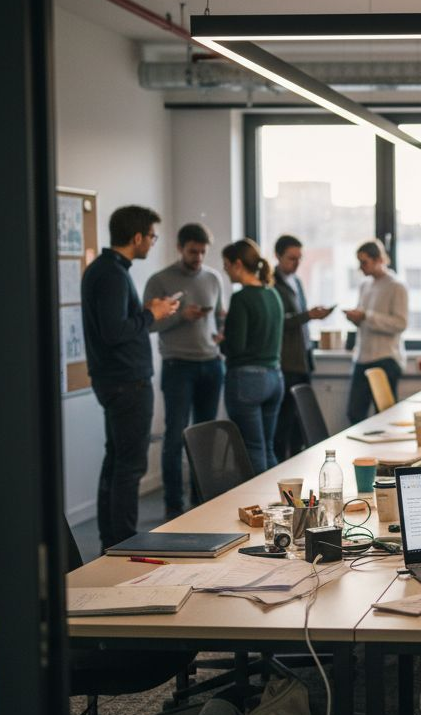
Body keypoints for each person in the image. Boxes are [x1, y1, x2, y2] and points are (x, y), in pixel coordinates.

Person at [81, 205, 179, 549]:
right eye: (152, 236)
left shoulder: (105, 269)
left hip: (115, 379)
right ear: (137, 237)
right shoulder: (112, 274)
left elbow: (117, 324)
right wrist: (151, 315)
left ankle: (112, 541)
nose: (153, 242)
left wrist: (147, 312)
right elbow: (114, 332)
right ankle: (123, 543)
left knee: (117, 462)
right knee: (129, 467)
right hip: (127, 382)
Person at [143, 222, 225, 518]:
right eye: (193, 251)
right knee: (175, 436)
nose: (199, 257)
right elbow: (148, 324)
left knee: (205, 436)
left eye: (203, 252)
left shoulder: (213, 278)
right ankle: (173, 505)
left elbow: (220, 316)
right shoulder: (159, 280)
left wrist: (222, 331)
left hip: (211, 363)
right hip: (178, 365)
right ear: (180, 248)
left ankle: (201, 498)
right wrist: (181, 317)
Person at [220, 239, 285, 475]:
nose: (225, 270)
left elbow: (236, 347)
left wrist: (221, 340)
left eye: (227, 265)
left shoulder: (241, 298)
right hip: (274, 377)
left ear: (238, 264)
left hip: (247, 380)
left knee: (252, 450)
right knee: (267, 447)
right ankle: (276, 498)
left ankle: (259, 499)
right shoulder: (273, 294)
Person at [272, 235, 334, 461]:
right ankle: (281, 465)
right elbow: (278, 321)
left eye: (299, 258)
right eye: (292, 258)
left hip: (303, 358)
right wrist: (307, 315)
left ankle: (298, 462)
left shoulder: (296, 281)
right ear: (278, 256)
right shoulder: (271, 283)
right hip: (287, 361)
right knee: (285, 421)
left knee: (301, 422)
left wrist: (312, 316)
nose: (297, 263)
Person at [345, 239, 408, 424]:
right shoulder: (364, 285)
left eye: (364, 262)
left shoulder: (396, 286)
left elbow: (400, 323)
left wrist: (367, 316)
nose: (360, 267)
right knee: (354, 414)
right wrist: (356, 318)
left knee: (385, 416)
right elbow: (365, 319)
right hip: (362, 358)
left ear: (379, 259)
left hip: (385, 359)